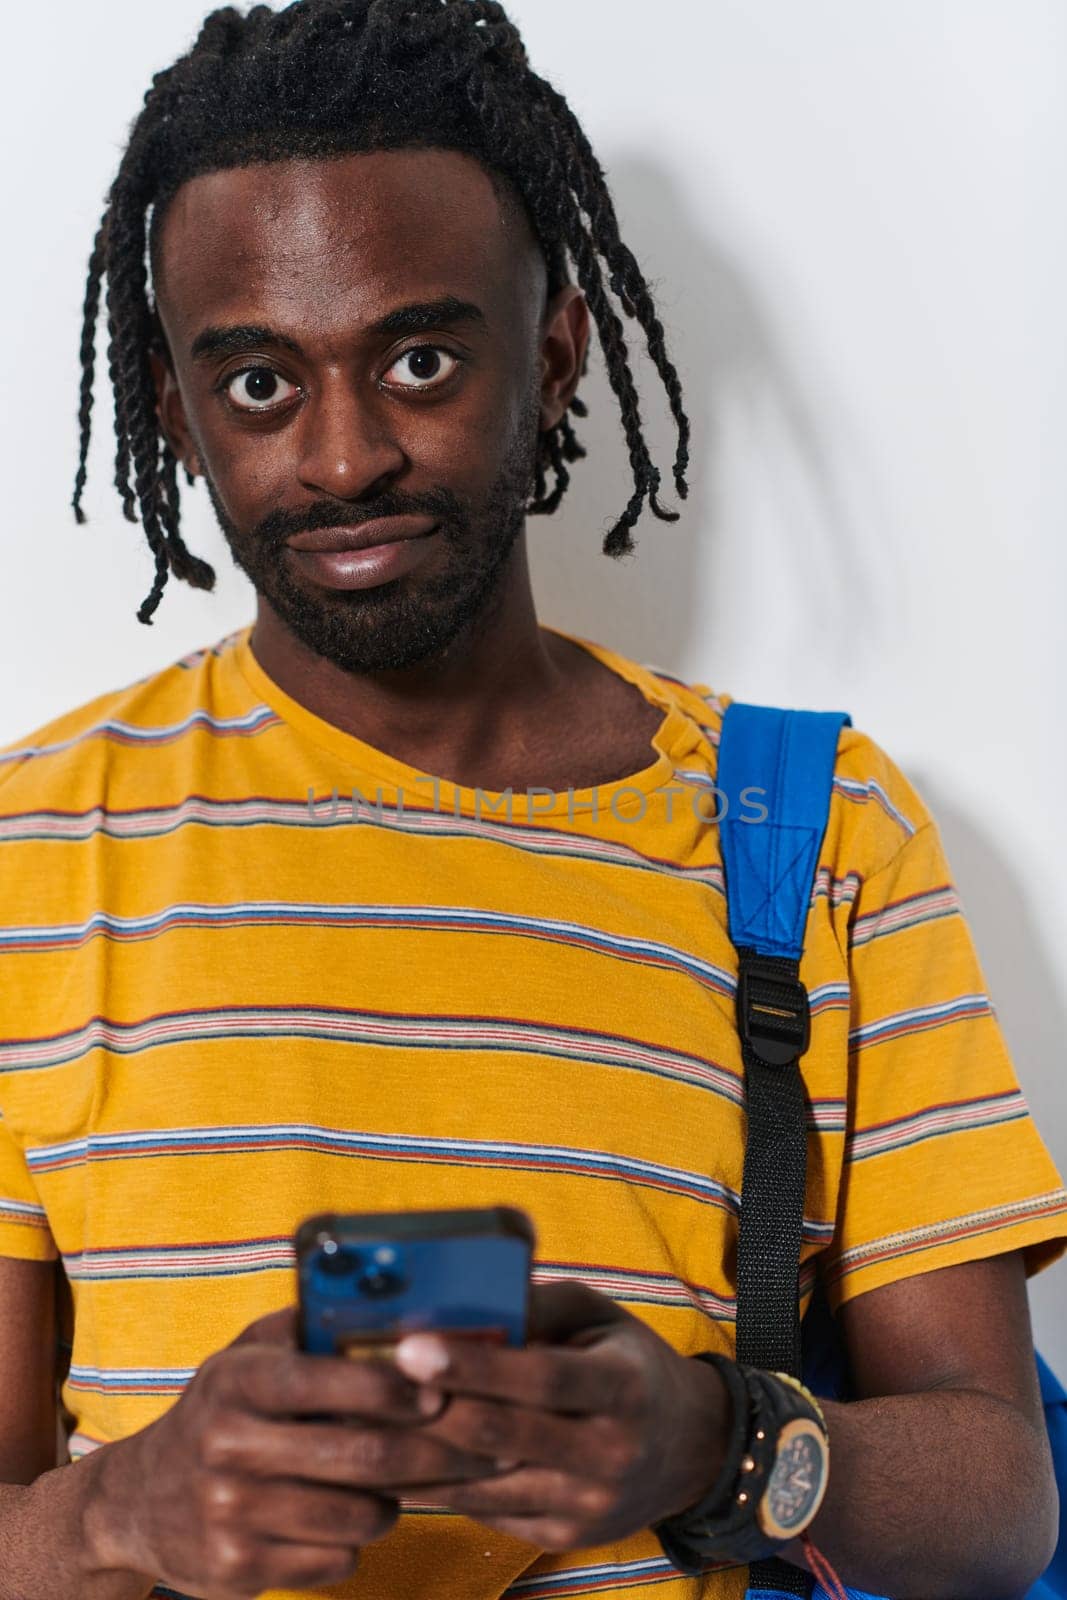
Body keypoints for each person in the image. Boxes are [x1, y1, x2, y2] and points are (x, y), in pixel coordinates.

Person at [0, 3, 1063, 1598]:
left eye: (419, 358)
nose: (345, 457)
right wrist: (118, 1515)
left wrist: (714, 1440)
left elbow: (1001, 1508)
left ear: (555, 351)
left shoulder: (811, 823)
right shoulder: (31, 847)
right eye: (259, 384)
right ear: (173, 406)